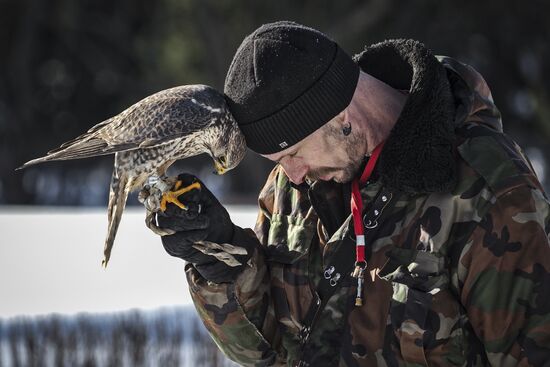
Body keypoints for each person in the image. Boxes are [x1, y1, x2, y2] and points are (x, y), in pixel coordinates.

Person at [152, 21, 550, 366]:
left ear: (342, 117)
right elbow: (269, 352)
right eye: (277, 160)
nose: (289, 174)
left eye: (292, 154)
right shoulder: (294, 186)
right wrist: (224, 263)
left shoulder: (487, 190)